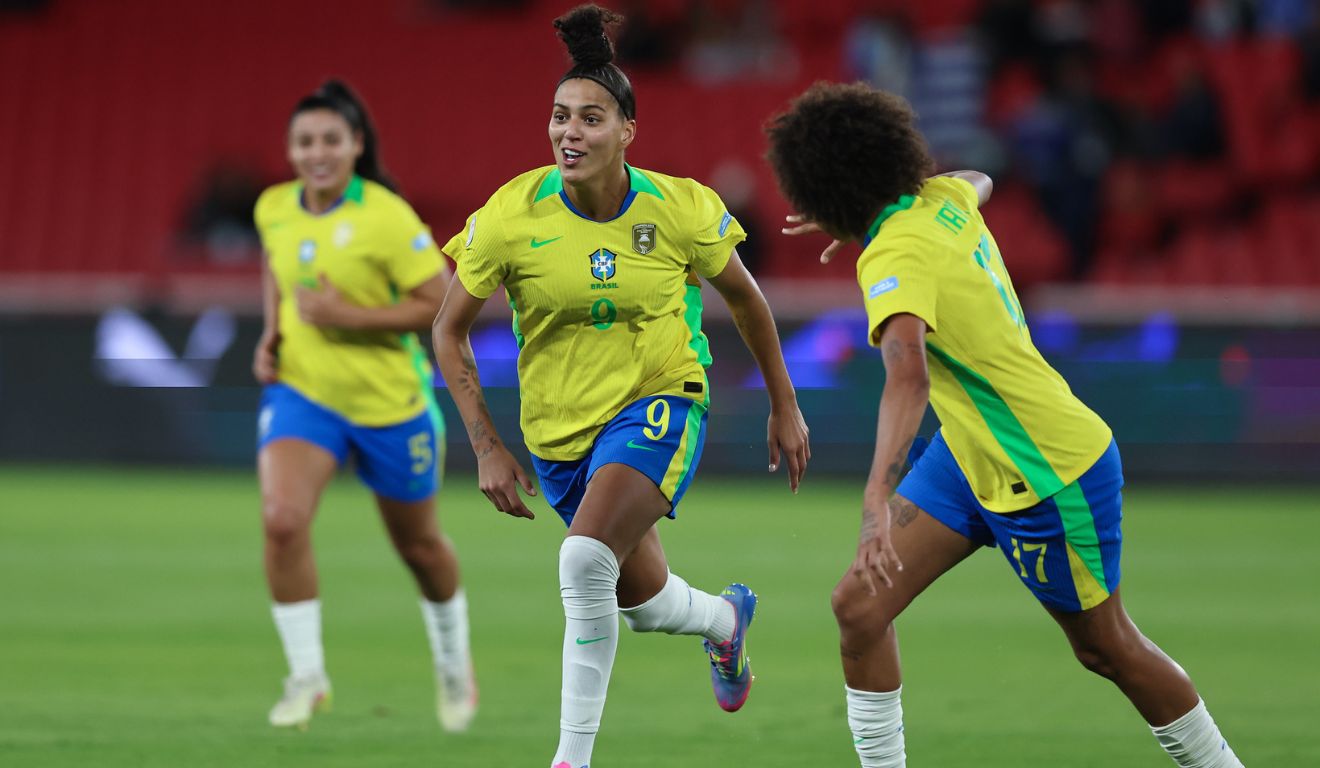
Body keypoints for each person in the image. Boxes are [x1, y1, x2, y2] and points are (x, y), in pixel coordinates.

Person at [764, 82, 1245, 768]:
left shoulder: (892, 254)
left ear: (826, 189)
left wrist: (875, 498)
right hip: (969, 457)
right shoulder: (942, 199)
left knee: (1106, 648)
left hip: (1047, 468)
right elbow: (975, 178)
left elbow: (908, 378)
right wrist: (853, 212)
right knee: (859, 609)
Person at [431, 7, 809, 767]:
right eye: (560, 116)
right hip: (560, 437)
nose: (570, 133)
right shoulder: (512, 215)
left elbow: (745, 299)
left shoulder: (680, 208)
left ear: (628, 130)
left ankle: (570, 759)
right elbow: (447, 329)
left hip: (662, 400)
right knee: (641, 605)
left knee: (579, 564)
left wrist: (784, 401)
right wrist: (487, 446)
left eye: (591, 119)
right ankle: (725, 624)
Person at [252, 80, 476, 732]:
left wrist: (344, 316)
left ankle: (454, 664)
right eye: (304, 141)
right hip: (305, 394)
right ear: (290, 150)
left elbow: (439, 306)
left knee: (421, 549)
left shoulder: (386, 216)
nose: (316, 152)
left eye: (329, 139)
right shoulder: (273, 207)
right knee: (282, 520)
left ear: (355, 144)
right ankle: (306, 678)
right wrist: (273, 330)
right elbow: (274, 265)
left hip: (390, 406)